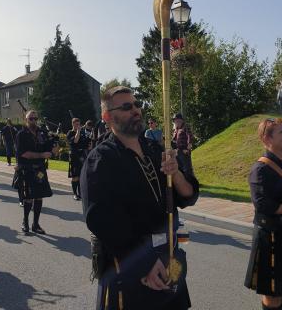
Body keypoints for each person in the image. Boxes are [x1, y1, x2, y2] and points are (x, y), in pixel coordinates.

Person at [81, 86, 199, 310]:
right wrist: (146, 263)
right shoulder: (101, 160)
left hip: (169, 259)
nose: (135, 110)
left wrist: (176, 173)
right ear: (107, 117)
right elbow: (100, 220)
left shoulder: (157, 149)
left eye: (137, 104)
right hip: (131, 269)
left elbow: (188, 195)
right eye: (126, 106)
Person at [245, 118, 282, 310]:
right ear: (266, 139)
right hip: (270, 238)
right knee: (273, 297)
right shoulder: (260, 169)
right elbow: (263, 204)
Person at [15, 110, 55, 235]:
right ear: (26, 120)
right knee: (28, 197)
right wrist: (42, 155)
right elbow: (24, 153)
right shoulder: (21, 134)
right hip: (27, 169)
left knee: (39, 196)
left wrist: (54, 145)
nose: (33, 121)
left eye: (35, 118)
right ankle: (25, 222)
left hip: (40, 170)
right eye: (31, 119)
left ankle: (35, 224)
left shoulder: (42, 133)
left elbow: (49, 149)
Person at [66, 118, 91, 200]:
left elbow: (86, 144)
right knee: (75, 176)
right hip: (74, 156)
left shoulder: (82, 133)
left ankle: (81, 193)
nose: (78, 126)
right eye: (76, 124)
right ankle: (75, 193)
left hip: (82, 156)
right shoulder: (70, 133)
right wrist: (78, 131)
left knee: (81, 175)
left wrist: (89, 143)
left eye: (79, 124)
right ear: (73, 124)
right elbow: (75, 141)